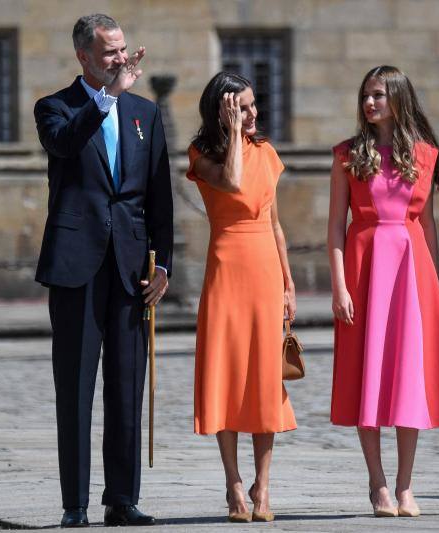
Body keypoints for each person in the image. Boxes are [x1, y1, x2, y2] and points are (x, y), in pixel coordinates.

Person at [33, 13, 173, 528]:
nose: (120, 58)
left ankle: (122, 498)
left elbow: (159, 195)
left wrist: (167, 265)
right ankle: (76, 504)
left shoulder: (146, 113)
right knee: (75, 387)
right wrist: (108, 97)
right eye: (108, 52)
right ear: (84, 57)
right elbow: (65, 144)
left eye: (122, 49)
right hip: (76, 266)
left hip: (131, 267)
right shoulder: (55, 107)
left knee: (126, 384)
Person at [328, 65, 439, 518]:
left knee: (407, 378)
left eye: (379, 95)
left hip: (411, 274)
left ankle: (405, 486)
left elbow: (428, 226)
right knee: (366, 377)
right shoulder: (346, 154)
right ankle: (377, 483)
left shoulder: (426, 155)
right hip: (363, 271)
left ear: (399, 99)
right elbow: (334, 229)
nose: (370, 103)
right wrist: (339, 286)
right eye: (366, 95)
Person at [186, 72, 297, 523]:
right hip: (227, 271)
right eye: (242, 107)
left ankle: (263, 488)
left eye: (253, 106)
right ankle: (234, 486)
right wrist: (231, 133)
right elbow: (231, 182)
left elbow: (274, 224)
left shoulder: (267, 153)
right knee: (228, 376)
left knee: (265, 381)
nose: (252, 115)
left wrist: (289, 285)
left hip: (265, 272)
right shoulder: (202, 154)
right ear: (222, 111)